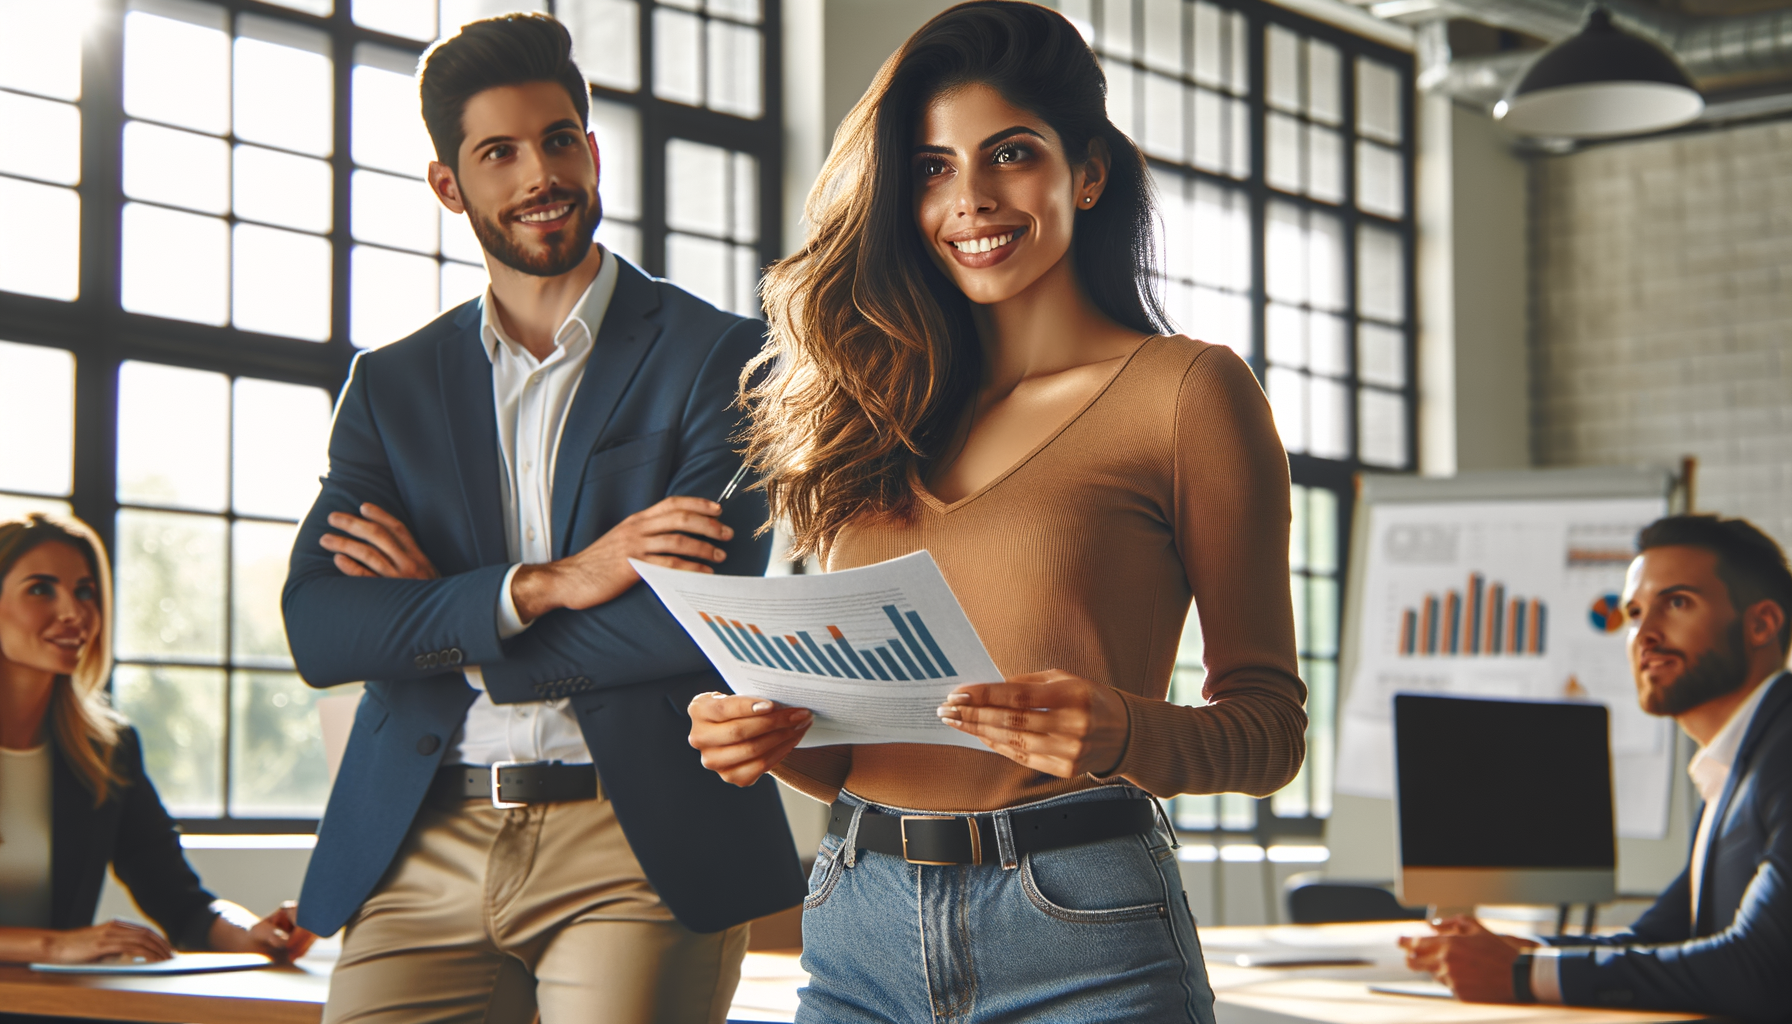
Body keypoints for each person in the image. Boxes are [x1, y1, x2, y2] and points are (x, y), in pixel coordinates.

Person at [686, 4, 1307, 1021]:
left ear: (1088, 172)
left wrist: (1119, 731)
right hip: (856, 917)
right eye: (930, 167)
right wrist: (767, 739)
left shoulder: (1187, 393)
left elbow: (1269, 729)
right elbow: (853, 748)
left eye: (1008, 155)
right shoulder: (873, 411)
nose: (968, 199)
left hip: (1081, 924)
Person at [280, 13, 803, 1024]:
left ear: (593, 150)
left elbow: (689, 615)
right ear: (449, 184)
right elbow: (322, 627)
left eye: (559, 140)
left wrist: (440, 618)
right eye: (500, 153)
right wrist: (553, 583)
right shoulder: (390, 387)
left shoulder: (724, 359)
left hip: (634, 835)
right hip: (420, 835)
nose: (540, 174)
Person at [1400, 513, 1792, 1020]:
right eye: (1633, 613)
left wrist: (1523, 974)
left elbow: (1759, 967)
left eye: (1676, 603)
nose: (1645, 634)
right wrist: (1524, 951)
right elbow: (1660, 936)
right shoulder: (1740, 760)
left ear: (1761, 624)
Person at [0, 514, 313, 973]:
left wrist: (252, 932)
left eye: (85, 592)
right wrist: (55, 946)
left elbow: (181, 902)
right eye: (41, 589)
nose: (74, 611)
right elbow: (62, 945)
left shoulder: (107, 750)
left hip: (46, 1012)